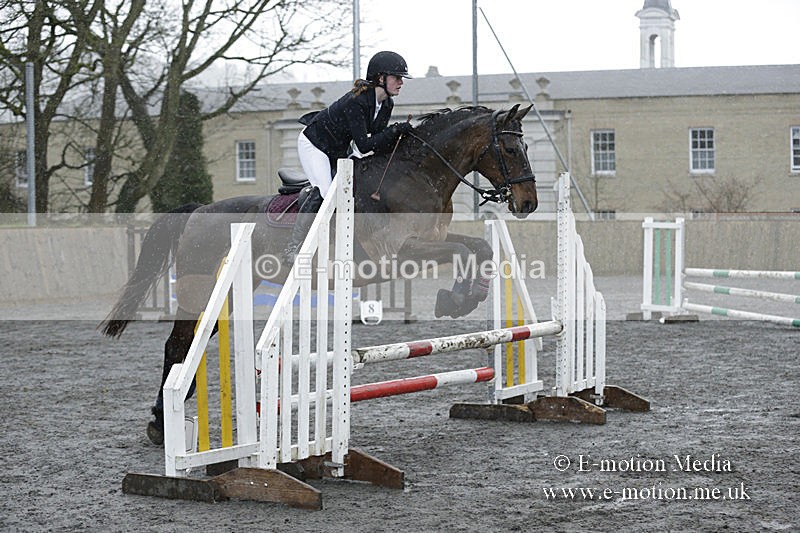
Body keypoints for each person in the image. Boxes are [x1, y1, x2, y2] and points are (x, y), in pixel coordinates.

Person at [282, 50, 414, 265]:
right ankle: (293, 247)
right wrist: (394, 130)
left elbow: (377, 141)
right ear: (381, 78)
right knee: (325, 192)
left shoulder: (386, 104)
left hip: (339, 149)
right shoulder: (357, 101)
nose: (401, 82)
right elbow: (364, 145)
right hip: (315, 144)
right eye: (397, 77)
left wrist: (400, 137)